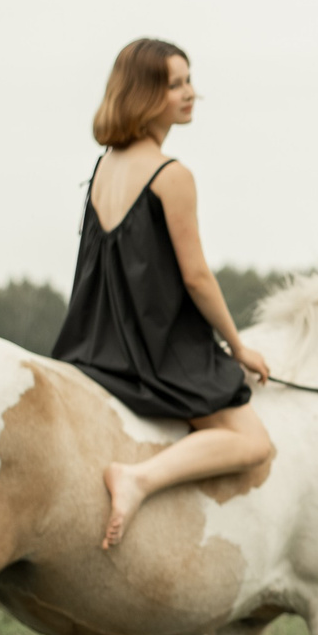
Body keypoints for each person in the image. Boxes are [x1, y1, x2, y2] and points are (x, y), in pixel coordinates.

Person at [52, 39, 275, 549]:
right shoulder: (171, 175)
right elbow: (196, 276)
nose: (191, 93)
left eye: (189, 81)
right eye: (176, 84)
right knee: (254, 442)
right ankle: (138, 479)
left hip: (96, 346)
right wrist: (238, 347)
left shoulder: (102, 169)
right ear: (147, 94)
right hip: (154, 355)